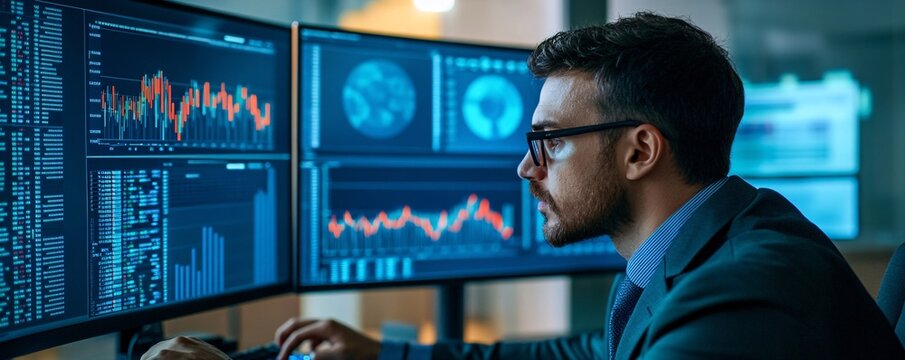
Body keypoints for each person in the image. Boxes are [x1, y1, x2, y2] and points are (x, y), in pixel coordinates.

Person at [142, 12, 905, 360]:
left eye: (548, 141)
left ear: (640, 150)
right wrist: (383, 356)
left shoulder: (746, 293)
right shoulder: (712, 247)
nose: (524, 168)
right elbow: (585, 353)